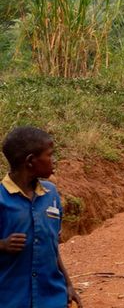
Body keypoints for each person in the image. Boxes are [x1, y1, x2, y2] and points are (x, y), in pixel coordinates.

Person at [1, 127, 83, 308]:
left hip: (52, 298)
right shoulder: (1, 198)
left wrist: (68, 284)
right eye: (49, 155)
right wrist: (2, 244)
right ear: (31, 161)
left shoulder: (50, 193)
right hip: (10, 299)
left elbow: (52, 247)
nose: (54, 160)